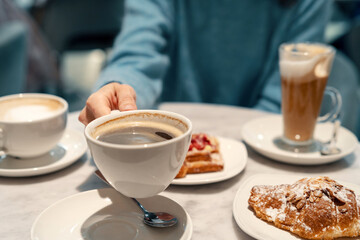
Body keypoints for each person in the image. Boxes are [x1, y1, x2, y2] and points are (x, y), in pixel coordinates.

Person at [79, 0, 331, 125]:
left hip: (257, 152)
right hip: (163, 142)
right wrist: (118, 90)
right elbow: (136, 54)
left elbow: (281, 103)